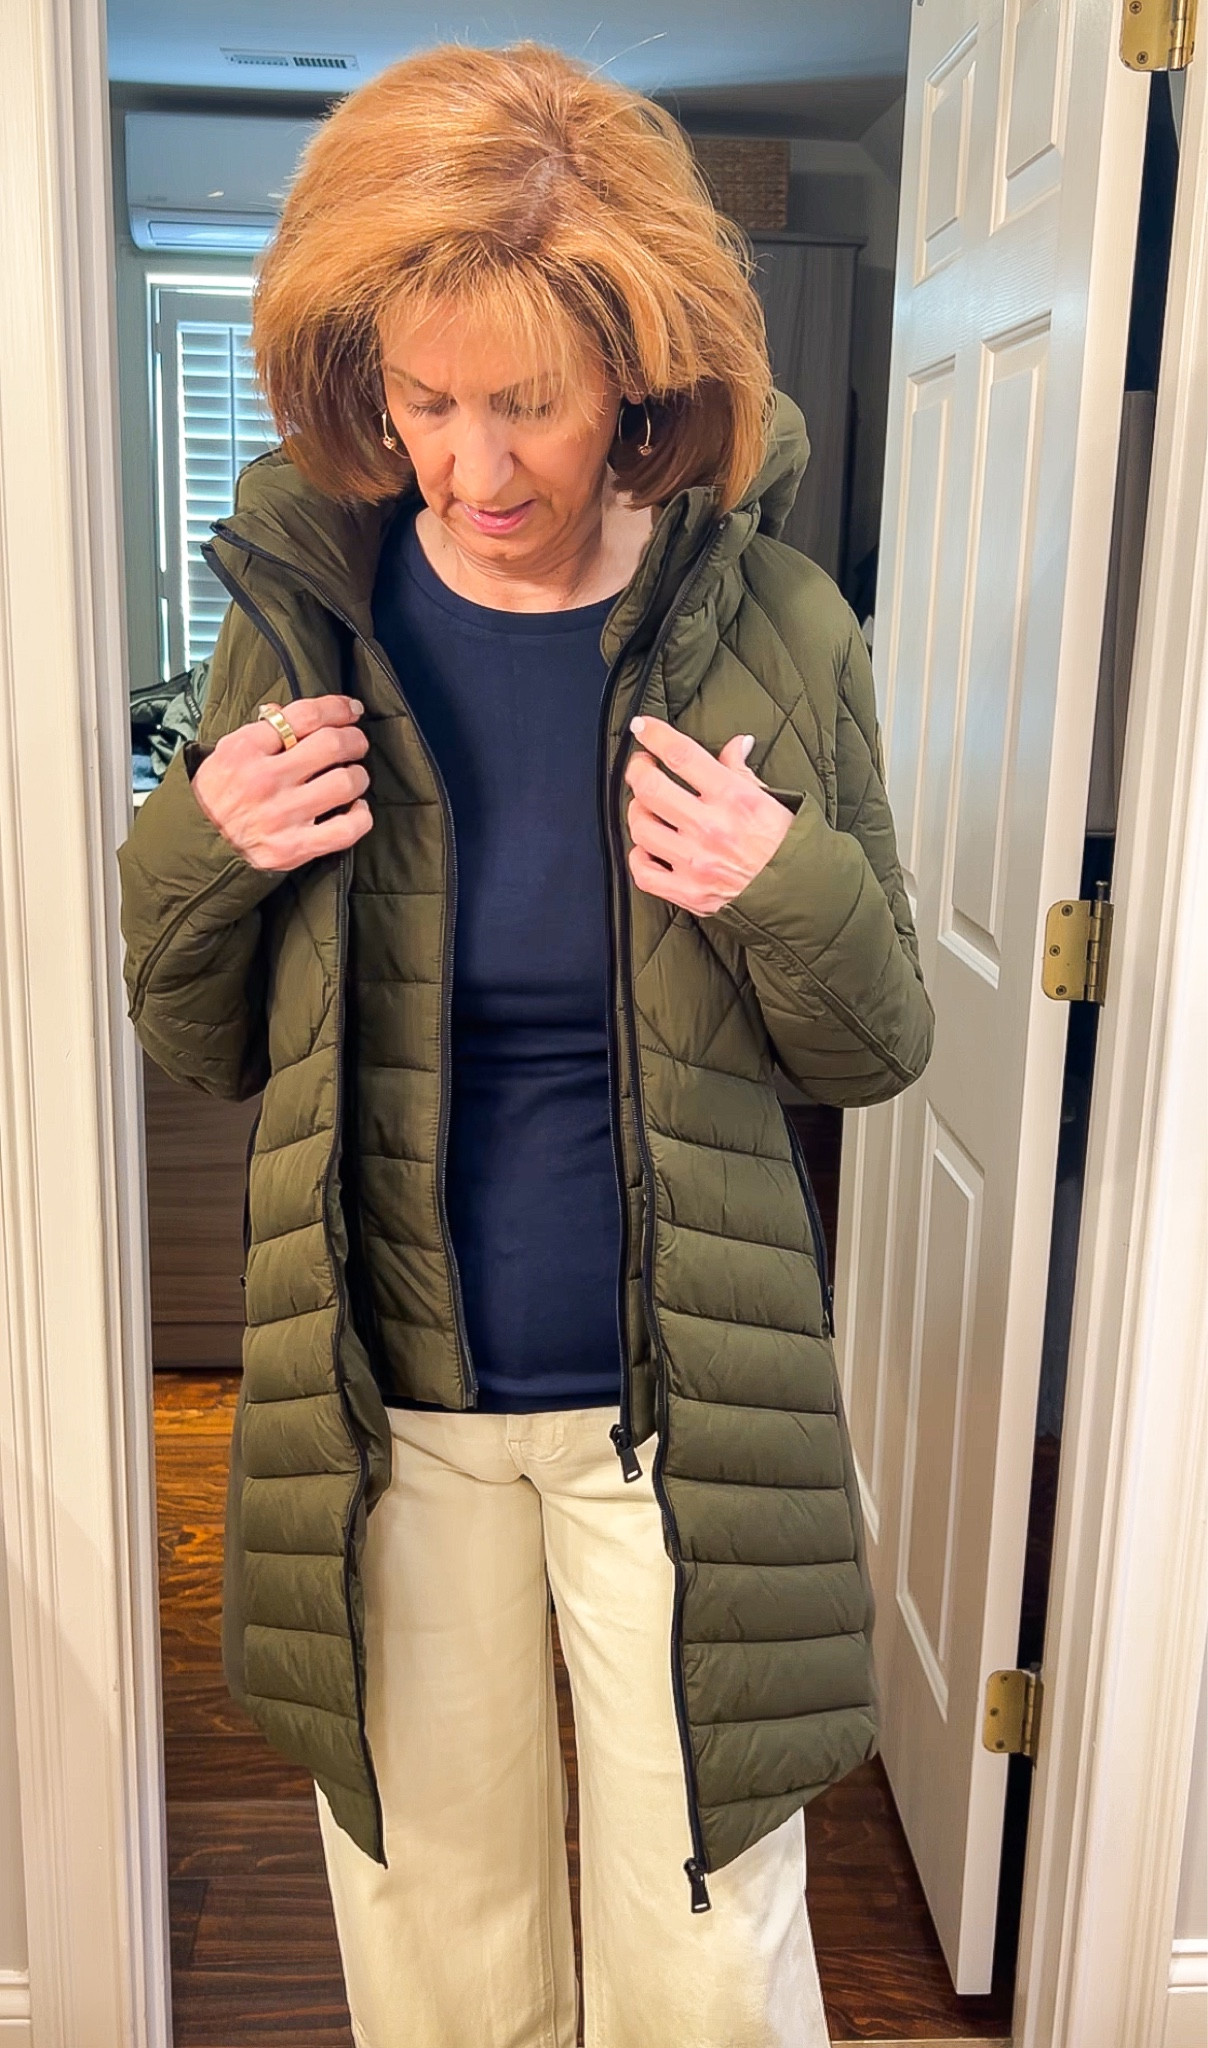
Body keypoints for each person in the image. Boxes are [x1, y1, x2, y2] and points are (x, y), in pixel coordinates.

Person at [117, 40, 933, 2048]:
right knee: (440, 1927)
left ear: (636, 383)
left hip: (682, 1414)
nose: (470, 468)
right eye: (424, 399)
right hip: (384, 1406)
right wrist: (202, 851)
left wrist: (781, 879)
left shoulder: (779, 627)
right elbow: (195, 1039)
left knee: (706, 1946)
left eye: (527, 405)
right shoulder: (304, 617)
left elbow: (874, 1044)